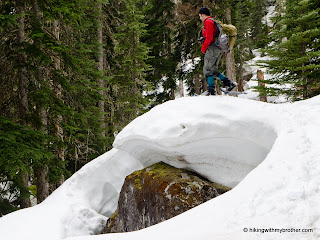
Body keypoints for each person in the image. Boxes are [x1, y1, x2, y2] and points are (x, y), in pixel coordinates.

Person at [198, 7, 237, 96]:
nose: (200, 18)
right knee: (213, 69)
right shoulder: (214, 21)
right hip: (218, 48)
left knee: (207, 69)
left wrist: (203, 48)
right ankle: (228, 83)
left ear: (203, 15)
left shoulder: (208, 22)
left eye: (200, 16)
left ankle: (211, 90)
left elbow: (209, 38)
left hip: (212, 49)